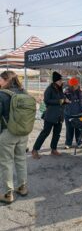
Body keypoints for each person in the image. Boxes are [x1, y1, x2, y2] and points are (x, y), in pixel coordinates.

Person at [0, 71, 28, 204]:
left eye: (0, 79)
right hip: (23, 132)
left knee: (6, 163)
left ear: (6, 80)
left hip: (8, 132)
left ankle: (8, 194)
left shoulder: (2, 94)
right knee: (21, 159)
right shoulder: (23, 92)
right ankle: (22, 187)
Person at [32, 71, 70, 159]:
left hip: (60, 116)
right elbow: (47, 101)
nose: (61, 82)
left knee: (57, 134)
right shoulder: (49, 89)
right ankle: (35, 150)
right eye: (60, 81)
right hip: (50, 116)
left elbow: (62, 99)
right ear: (55, 81)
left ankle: (53, 149)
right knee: (45, 133)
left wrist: (66, 101)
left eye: (61, 81)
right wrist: (61, 101)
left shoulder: (60, 89)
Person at [64, 77, 82, 149]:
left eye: (77, 84)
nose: (78, 85)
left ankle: (79, 143)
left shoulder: (81, 92)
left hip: (80, 115)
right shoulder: (66, 92)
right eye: (76, 84)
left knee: (79, 130)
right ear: (72, 85)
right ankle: (68, 143)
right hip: (69, 114)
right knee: (69, 130)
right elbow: (62, 102)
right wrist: (66, 102)